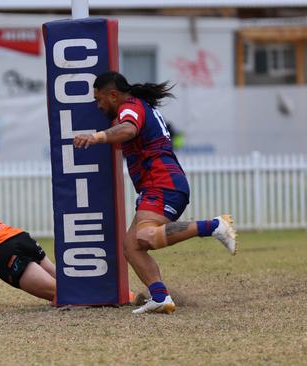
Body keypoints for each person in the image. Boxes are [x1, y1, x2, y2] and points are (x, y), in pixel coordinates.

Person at [73, 71, 237, 315]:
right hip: (159, 184)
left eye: (99, 99)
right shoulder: (138, 105)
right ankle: (160, 297)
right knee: (131, 246)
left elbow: (128, 129)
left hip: (162, 183)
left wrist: (95, 137)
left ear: (113, 95)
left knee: (144, 237)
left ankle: (214, 225)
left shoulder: (130, 107)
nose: (98, 106)